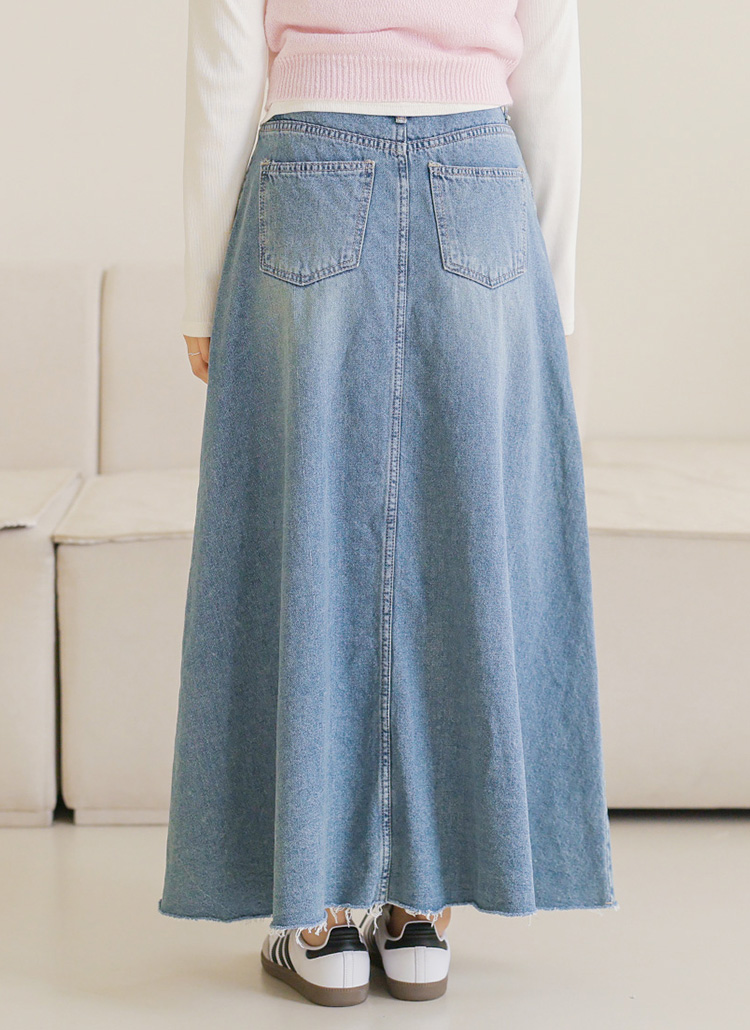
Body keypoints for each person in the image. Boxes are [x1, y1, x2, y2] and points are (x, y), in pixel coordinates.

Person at [158, 0, 618, 1007]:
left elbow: (225, 63)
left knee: (304, 537)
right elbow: (550, 68)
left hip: (310, 175)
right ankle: (420, 913)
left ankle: (319, 917)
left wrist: (201, 288)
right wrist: (552, 296)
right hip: (482, 180)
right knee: (465, 545)